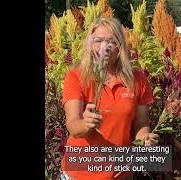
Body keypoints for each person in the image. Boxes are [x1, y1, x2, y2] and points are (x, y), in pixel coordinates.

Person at [61, 17, 159, 180]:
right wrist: (86, 124)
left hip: (120, 174)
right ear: (89, 45)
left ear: (120, 46)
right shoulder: (76, 77)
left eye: (111, 41)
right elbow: (73, 125)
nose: (104, 47)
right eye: (98, 41)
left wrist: (145, 138)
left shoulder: (137, 80)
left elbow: (141, 124)